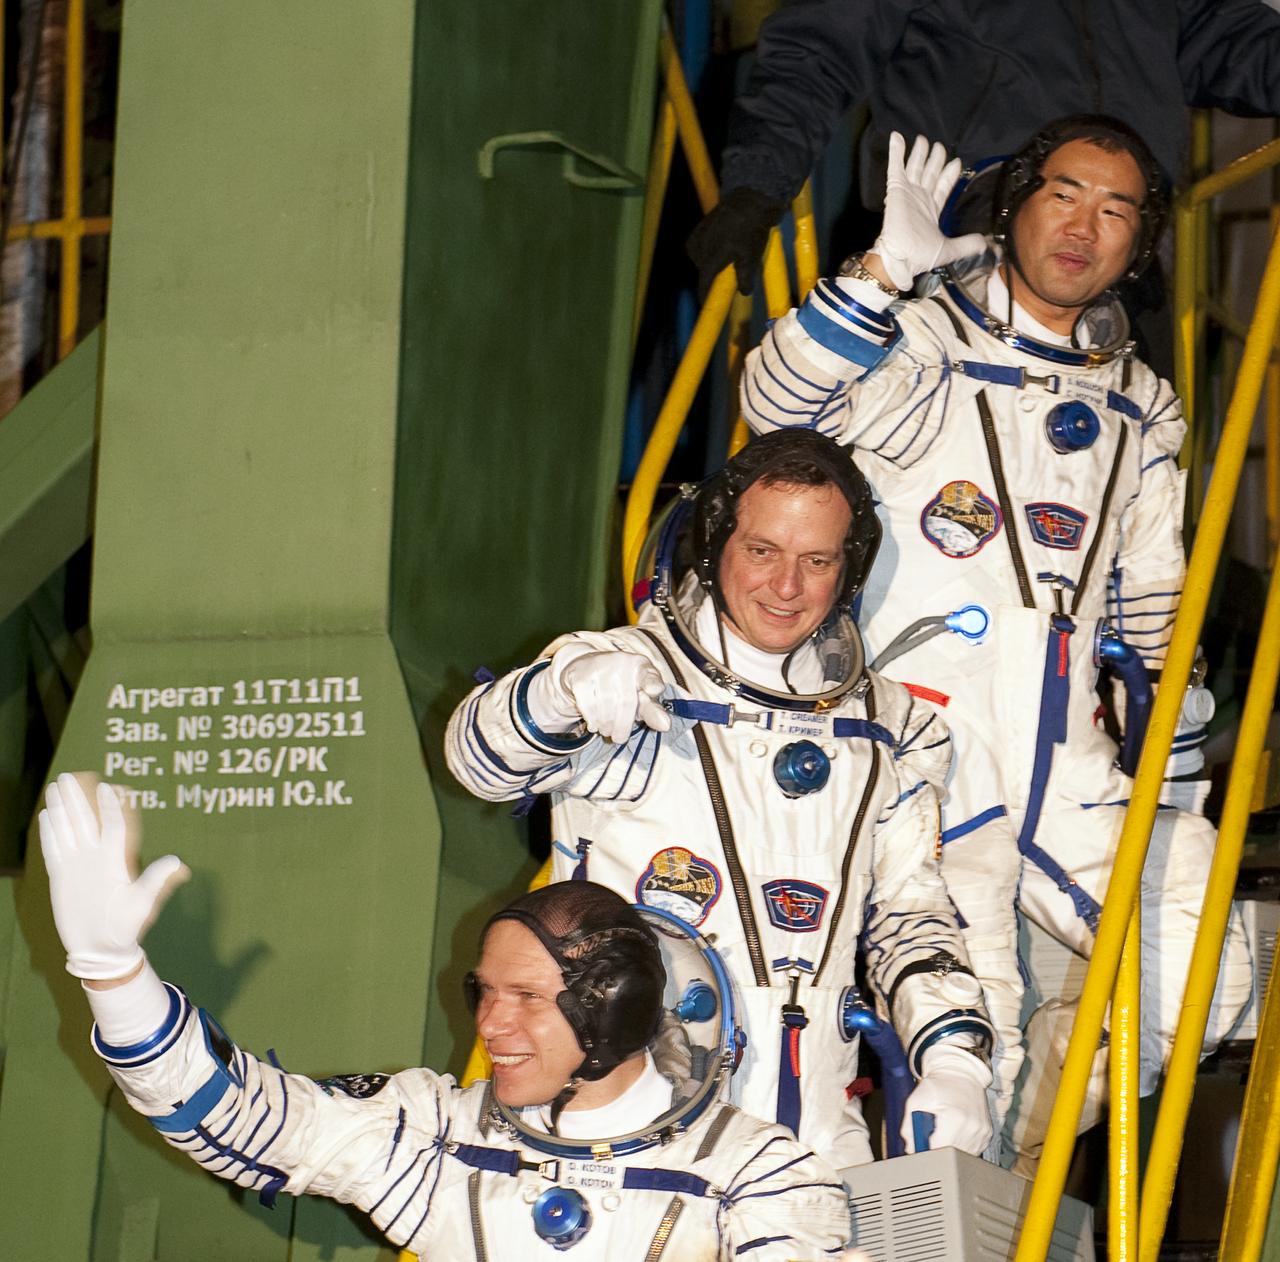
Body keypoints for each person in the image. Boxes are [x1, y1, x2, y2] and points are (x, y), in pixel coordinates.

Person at [739, 115, 1253, 1168]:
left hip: (1064, 752)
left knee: (1217, 960)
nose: (1084, 226)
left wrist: (1176, 731)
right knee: (969, 1027)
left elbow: (1150, 606)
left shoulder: (1141, 408)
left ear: (1138, 243)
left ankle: (1029, 1145)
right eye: (1063, 193)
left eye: (1115, 210)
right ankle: (944, 1205)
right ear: (1015, 205)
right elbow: (771, 407)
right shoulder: (925, 342)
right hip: (922, 740)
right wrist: (881, 274)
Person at [447, 427, 997, 1175]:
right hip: (628, 1122)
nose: (786, 587)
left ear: (849, 570)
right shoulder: (626, 673)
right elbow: (480, 763)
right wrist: (556, 694)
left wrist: (956, 1056)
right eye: (763, 551)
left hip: (812, 1133)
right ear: (715, 545)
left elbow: (910, 915)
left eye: (818, 561)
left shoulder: (892, 730)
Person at [38, 772, 859, 1261]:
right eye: (484, 994)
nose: (490, 1027)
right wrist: (116, 978)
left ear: (613, 1008)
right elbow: (248, 1122)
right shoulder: (439, 1136)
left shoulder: (756, 1176)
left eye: (528, 998)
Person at [688, 0, 1280, 300]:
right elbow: (817, 55)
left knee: (1117, 485)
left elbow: (1224, 44)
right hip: (958, 239)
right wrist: (755, 188)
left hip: (1124, 249)